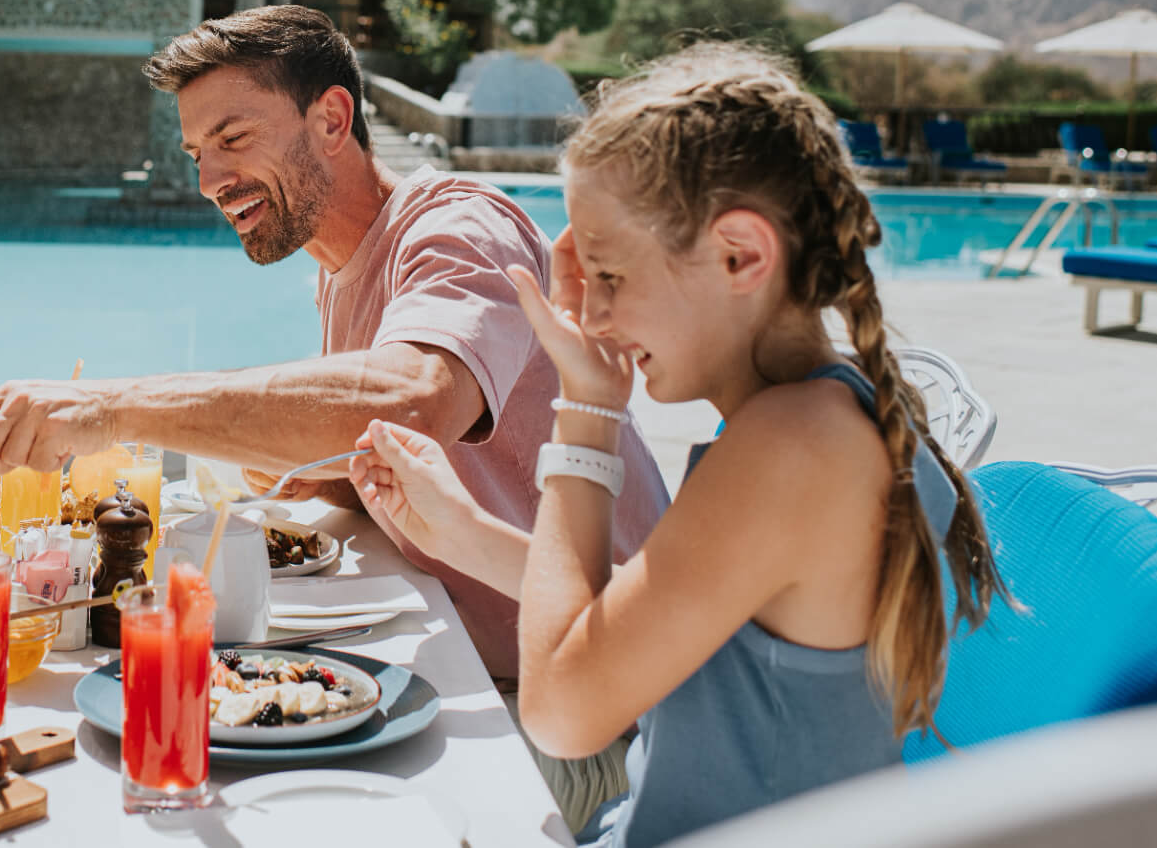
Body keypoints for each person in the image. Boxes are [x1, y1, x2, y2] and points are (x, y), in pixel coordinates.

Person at [349, 44, 1006, 846]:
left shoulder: (793, 448)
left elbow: (562, 714)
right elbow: (657, 614)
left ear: (741, 256)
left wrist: (586, 410)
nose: (591, 316)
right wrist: (463, 532)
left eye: (610, 276)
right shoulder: (819, 414)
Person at [0, 5, 668, 678]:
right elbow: (404, 455)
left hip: (607, 683)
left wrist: (110, 409)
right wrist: (320, 474)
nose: (209, 181)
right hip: (494, 661)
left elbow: (414, 404)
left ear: (332, 119)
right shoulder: (338, 271)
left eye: (233, 139)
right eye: (196, 153)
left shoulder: (459, 228)